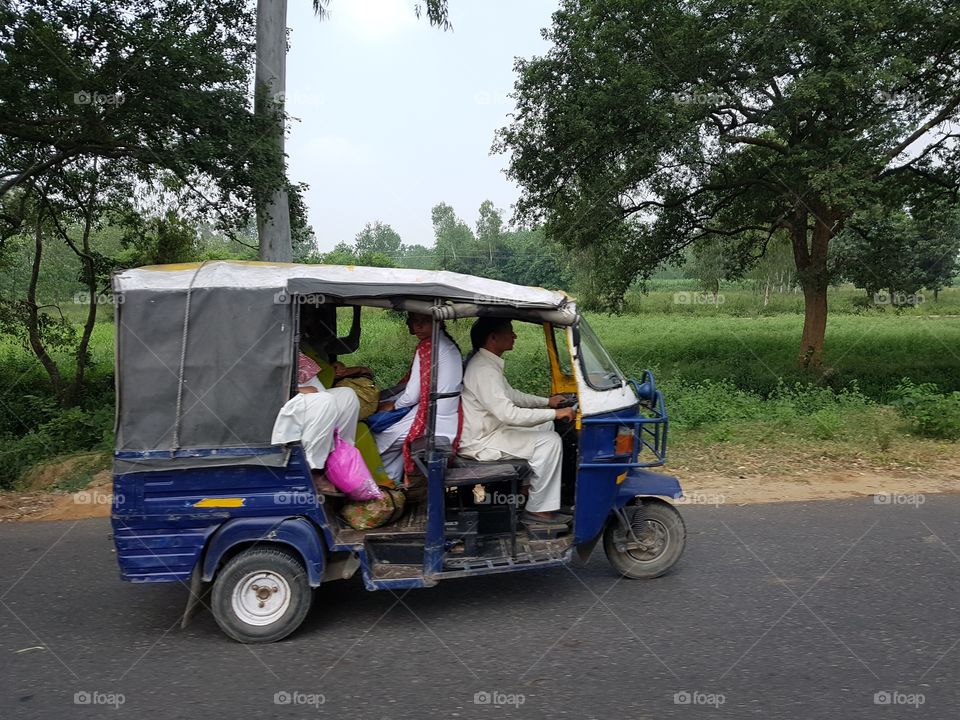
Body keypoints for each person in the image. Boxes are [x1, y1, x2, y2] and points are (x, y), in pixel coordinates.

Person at [459, 317, 576, 531]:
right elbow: (509, 414)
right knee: (550, 442)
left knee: (545, 429)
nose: (515, 336)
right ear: (493, 338)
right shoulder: (483, 370)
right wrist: (554, 413)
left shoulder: (487, 363)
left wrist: (547, 403)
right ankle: (538, 510)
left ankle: (525, 492)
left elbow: (511, 395)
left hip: (490, 429)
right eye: (510, 331)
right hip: (482, 440)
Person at [373, 313, 464, 483]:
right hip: (447, 417)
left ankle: (383, 486)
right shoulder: (448, 344)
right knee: (393, 442)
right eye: (415, 322)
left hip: (431, 421)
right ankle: (394, 486)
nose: (418, 327)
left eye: (424, 322)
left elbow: (411, 396)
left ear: (437, 322)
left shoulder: (429, 346)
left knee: (378, 440)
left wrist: (392, 405)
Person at [271, 351, 360, 475]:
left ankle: (340, 461)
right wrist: (297, 390)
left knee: (347, 395)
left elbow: (317, 389)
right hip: (279, 407)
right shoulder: (258, 352)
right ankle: (312, 470)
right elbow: (262, 389)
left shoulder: (291, 350)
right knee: (325, 401)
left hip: (308, 403)